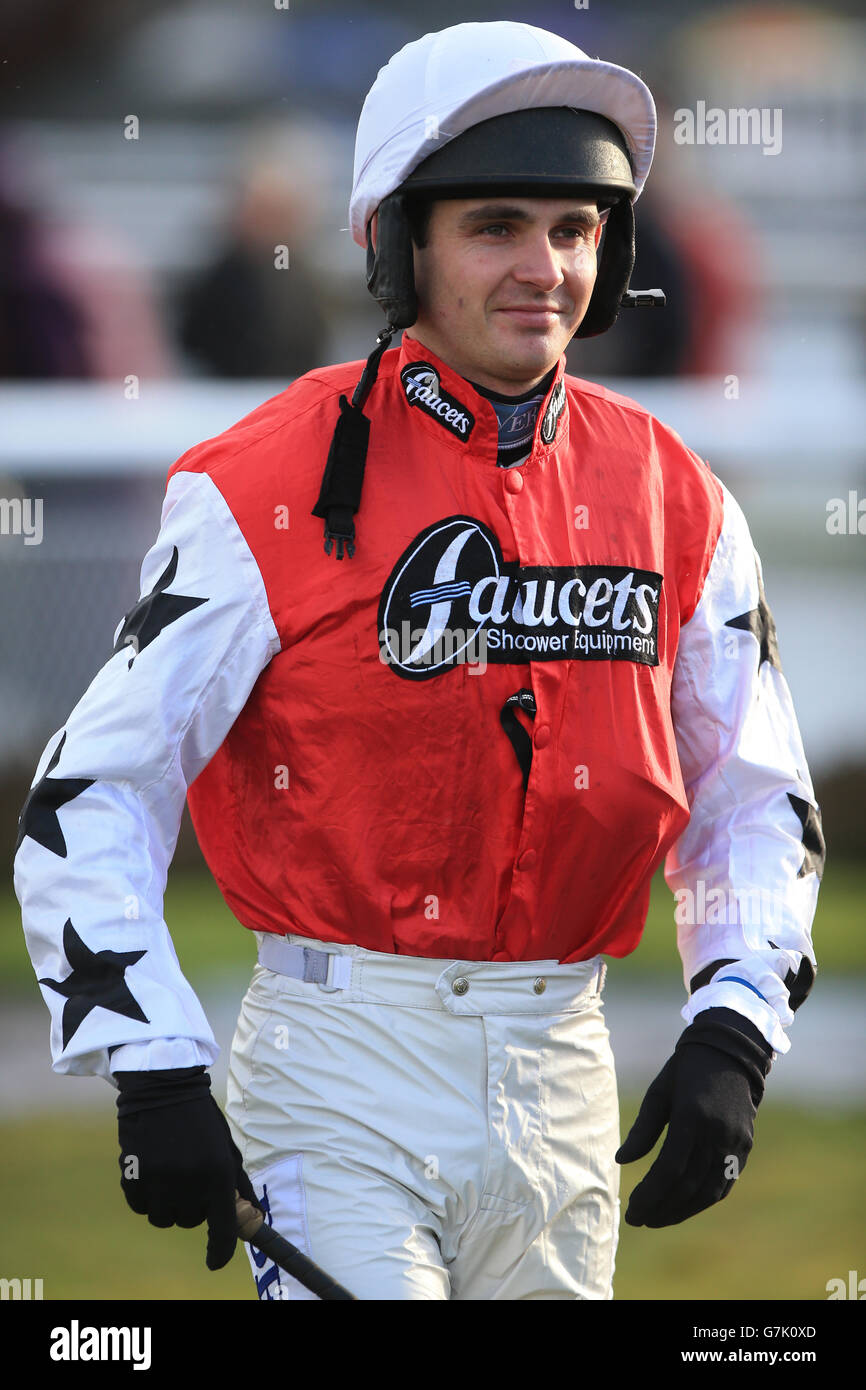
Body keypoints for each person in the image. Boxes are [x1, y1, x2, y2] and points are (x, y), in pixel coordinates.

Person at [13, 21, 824, 1301]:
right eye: (495, 225)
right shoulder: (259, 486)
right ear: (399, 243)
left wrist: (733, 1025)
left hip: (565, 1070)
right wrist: (150, 1060)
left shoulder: (678, 498)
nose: (544, 268)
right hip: (337, 1072)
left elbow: (749, 799)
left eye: (574, 229)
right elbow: (91, 794)